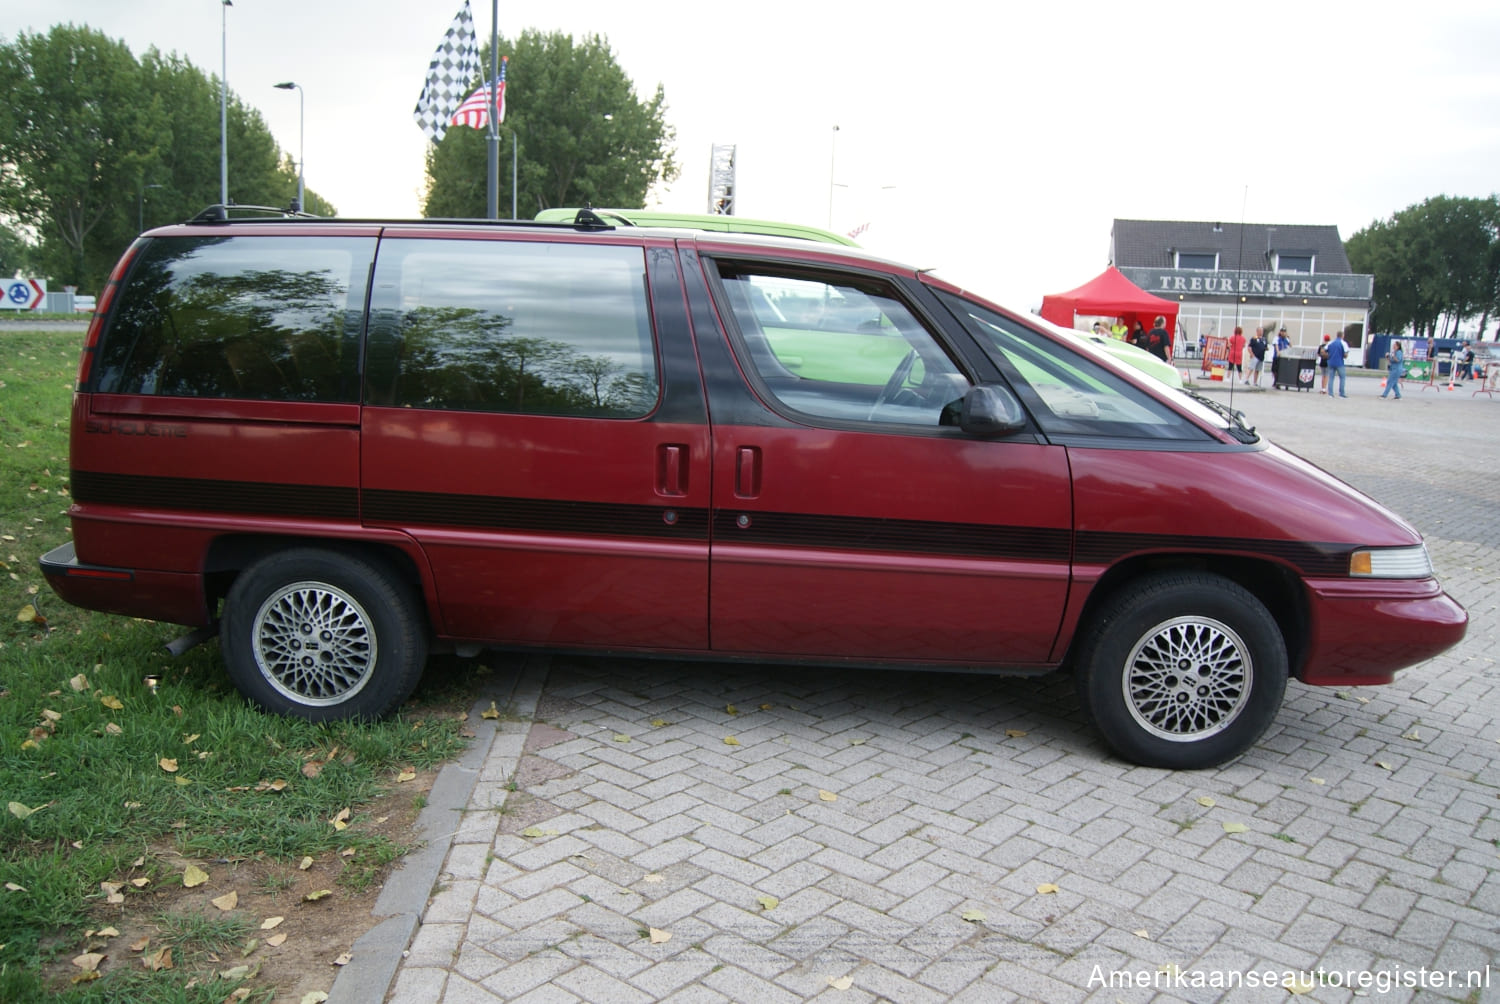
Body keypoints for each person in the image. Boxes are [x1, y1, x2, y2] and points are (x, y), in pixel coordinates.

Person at [1326, 329, 1349, 398]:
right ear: (1342, 336)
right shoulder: (1343, 343)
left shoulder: (1330, 343)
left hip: (1330, 362)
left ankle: (1330, 393)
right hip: (1339, 363)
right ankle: (1341, 393)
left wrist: (1328, 356)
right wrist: (1344, 356)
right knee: (1342, 378)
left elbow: (1324, 350)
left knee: (1331, 378)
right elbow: (1346, 354)